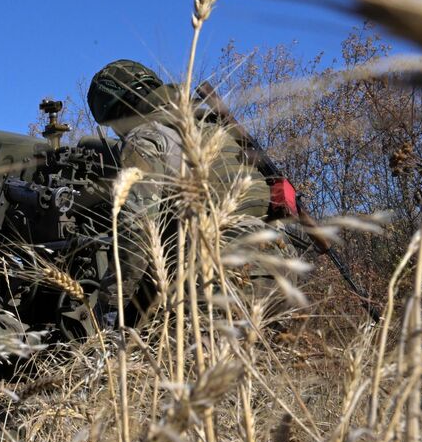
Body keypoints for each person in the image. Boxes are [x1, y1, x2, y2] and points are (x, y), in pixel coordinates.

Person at [86, 59, 290, 322]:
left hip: (222, 279)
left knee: (192, 363)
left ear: (119, 113)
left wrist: (109, 304)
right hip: (281, 271)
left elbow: (136, 230)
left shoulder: (146, 137)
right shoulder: (216, 126)